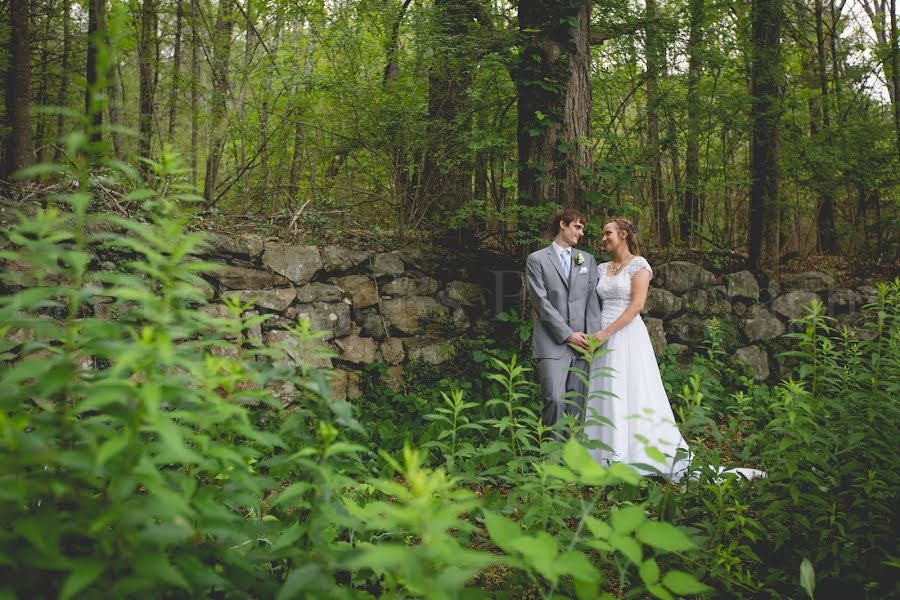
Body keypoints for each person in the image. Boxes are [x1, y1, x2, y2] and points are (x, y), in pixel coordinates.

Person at [584, 217, 763, 481]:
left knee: (629, 391)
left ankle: (630, 456)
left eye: (607, 233)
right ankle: (602, 456)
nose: (603, 238)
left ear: (623, 234)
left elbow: (636, 306)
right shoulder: (601, 268)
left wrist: (605, 332)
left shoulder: (639, 266)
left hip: (625, 335)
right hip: (601, 335)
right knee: (606, 390)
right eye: (603, 234)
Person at [525, 208, 599, 434]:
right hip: (552, 343)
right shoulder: (536, 259)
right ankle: (552, 458)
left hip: (583, 346)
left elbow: (592, 302)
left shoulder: (587, 260)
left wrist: (592, 340)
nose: (581, 233)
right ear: (562, 225)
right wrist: (568, 335)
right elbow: (541, 303)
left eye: (582, 228)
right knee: (555, 400)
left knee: (577, 406)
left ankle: (572, 461)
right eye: (577, 226)